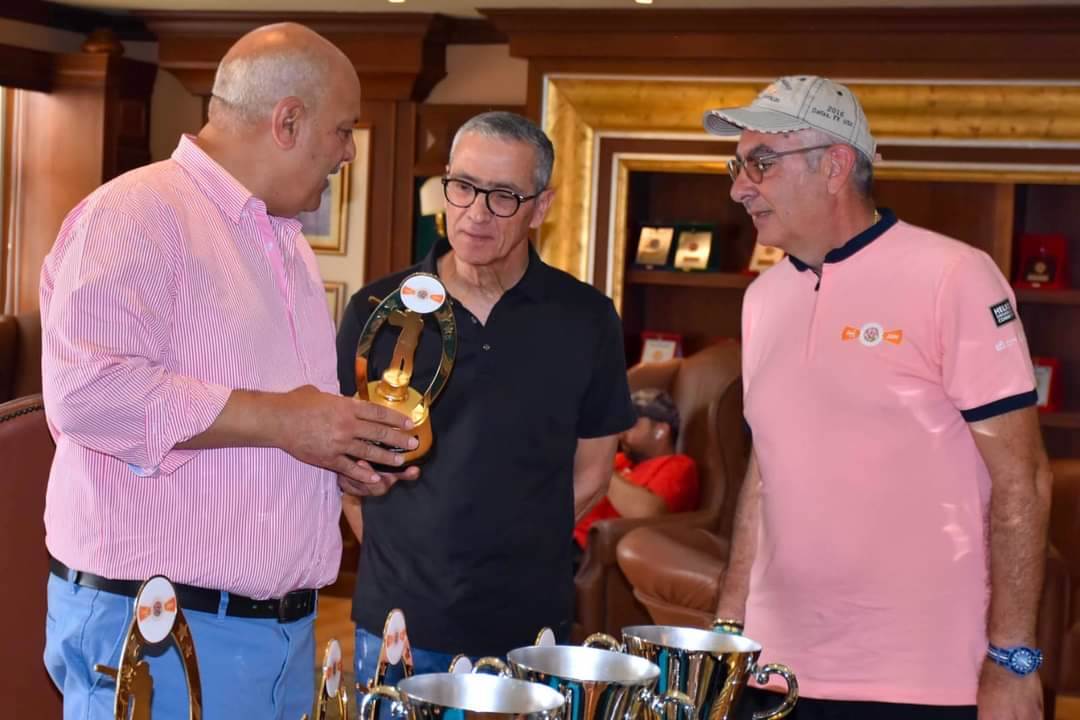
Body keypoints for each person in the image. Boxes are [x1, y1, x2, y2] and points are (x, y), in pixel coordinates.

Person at [40, 23, 420, 720]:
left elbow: (261, 432)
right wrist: (286, 421)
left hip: (275, 634)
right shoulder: (136, 212)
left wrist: (334, 457)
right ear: (288, 121)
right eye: (342, 130)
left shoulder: (284, 242)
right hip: (163, 631)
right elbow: (87, 392)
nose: (348, 152)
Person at [700, 76, 1051, 719]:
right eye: (737, 165)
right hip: (773, 669)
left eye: (761, 163)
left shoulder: (955, 276)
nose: (739, 187)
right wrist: (728, 629)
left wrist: (1013, 660)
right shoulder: (761, 299)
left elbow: (1022, 479)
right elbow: (765, 472)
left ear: (835, 166)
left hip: (923, 680)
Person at [336, 111, 636, 681]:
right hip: (398, 623)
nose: (476, 212)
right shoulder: (378, 312)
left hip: (528, 624)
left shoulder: (586, 318)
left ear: (540, 208)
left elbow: (594, 473)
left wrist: (515, 546)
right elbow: (343, 469)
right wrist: (406, 561)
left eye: (503, 196)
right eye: (464, 187)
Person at [572, 388, 699, 558]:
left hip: (586, 551)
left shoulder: (678, 465)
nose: (620, 432)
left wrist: (601, 469)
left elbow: (648, 514)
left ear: (660, 430)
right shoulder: (621, 460)